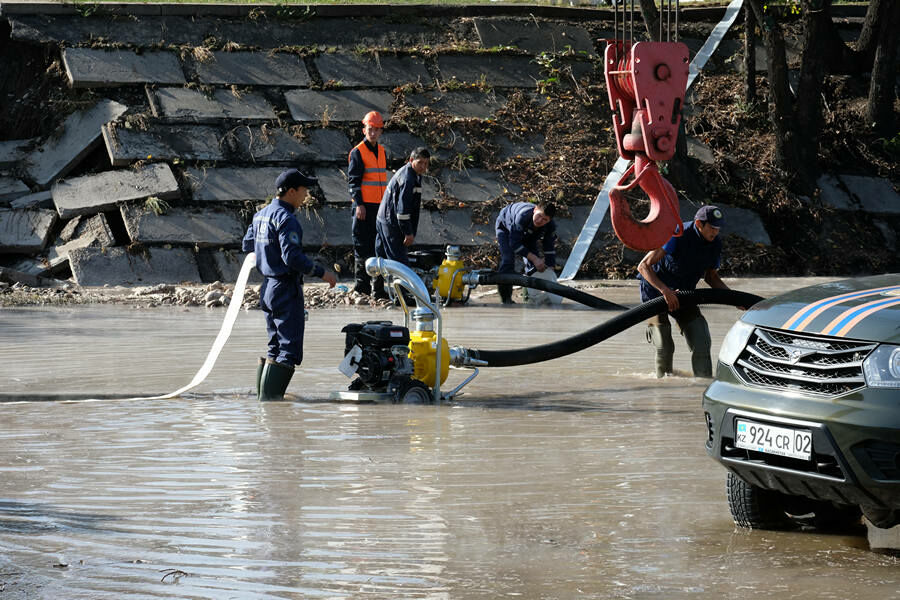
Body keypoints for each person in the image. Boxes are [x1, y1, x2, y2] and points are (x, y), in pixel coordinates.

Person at [242, 169, 337, 401]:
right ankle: (272, 406)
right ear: (292, 191)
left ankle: (264, 403)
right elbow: (292, 258)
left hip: (267, 288)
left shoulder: (260, 215)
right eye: (304, 190)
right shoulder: (287, 219)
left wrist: (267, 256)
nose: (306, 196)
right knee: (288, 350)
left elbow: (247, 245)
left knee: (274, 347)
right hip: (285, 288)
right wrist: (322, 273)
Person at [636, 204, 731, 378]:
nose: (716, 232)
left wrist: (734, 299)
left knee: (701, 340)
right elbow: (643, 267)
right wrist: (665, 291)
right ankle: (663, 386)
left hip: (683, 295)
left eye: (718, 228)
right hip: (655, 292)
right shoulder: (677, 235)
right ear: (699, 224)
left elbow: (711, 277)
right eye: (712, 228)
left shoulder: (715, 244)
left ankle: (703, 385)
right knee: (664, 345)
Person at [348, 111, 389, 299]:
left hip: (379, 207)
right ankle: (362, 288)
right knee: (362, 246)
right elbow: (353, 182)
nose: (373, 133)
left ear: (381, 131)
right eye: (370, 129)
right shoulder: (358, 152)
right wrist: (359, 204)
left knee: (378, 247)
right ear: (364, 129)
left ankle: (378, 289)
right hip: (363, 207)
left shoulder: (382, 151)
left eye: (376, 130)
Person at [375, 146, 430, 266]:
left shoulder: (413, 174)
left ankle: (378, 280)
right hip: (390, 222)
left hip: (383, 218)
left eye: (426, 163)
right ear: (411, 160)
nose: (423, 167)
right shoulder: (408, 179)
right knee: (399, 266)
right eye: (420, 162)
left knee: (382, 262)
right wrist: (408, 233)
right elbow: (403, 211)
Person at [494, 201, 558, 304]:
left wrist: (550, 267)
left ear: (549, 220)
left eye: (544, 219)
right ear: (535, 210)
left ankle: (529, 298)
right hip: (505, 228)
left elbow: (549, 246)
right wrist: (535, 259)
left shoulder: (550, 226)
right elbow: (514, 244)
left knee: (534, 266)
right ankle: (506, 300)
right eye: (539, 216)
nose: (540, 220)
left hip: (530, 233)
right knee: (508, 260)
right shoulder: (522, 216)